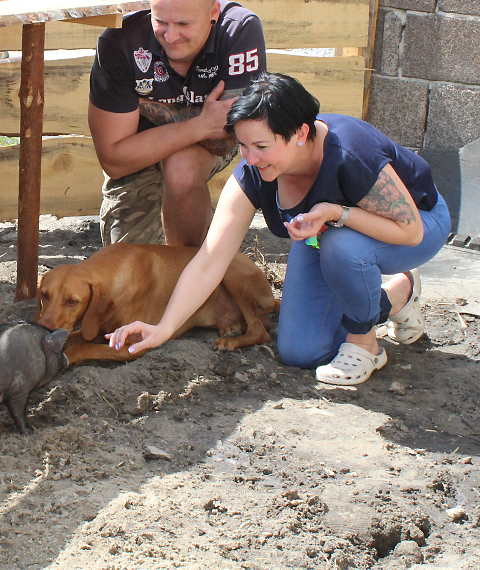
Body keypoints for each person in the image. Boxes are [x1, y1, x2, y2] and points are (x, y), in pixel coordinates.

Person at [106, 73, 452, 385]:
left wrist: (336, 213)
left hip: (416, 223)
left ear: (301, 133)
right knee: (301, 352)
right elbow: (210, 259)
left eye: (261, 146)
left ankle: (365, 343)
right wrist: (162, 328)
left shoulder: (351, 153)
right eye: (243, 145)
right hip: (325, 234)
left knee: (343, 249)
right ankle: (396, 295)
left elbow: (410, 232)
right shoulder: (254, 171)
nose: (250, 158)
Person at [88, 0, 266, 247]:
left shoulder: (239, 31)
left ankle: (192, 269)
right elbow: (114, 160)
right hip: (138, 156)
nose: (171, 37)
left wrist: (144, 106)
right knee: (129, 271)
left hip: (154, 142)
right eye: (160, 21)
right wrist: (200, 125)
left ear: (213, 12)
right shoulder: (119, 42)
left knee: (181, 170)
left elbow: (227, 139)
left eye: (184, 24)